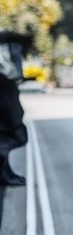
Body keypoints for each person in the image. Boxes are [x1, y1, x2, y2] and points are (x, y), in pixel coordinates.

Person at [0, 33, 30, 187]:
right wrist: (17, 124)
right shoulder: (5, 82)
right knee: (16, 138)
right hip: (9, 123)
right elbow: (12, 109)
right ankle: (4, 173)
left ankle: (5, 172)